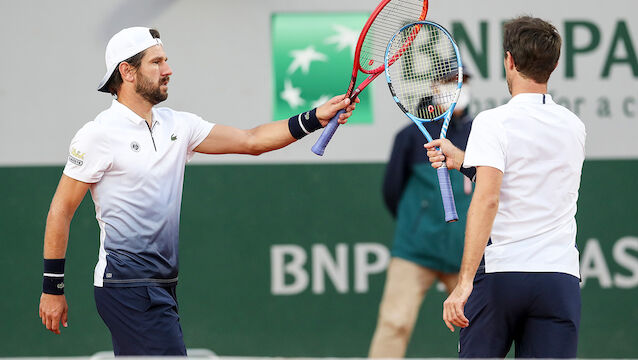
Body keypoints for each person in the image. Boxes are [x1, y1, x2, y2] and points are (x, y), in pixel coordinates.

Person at [38, 27, 357, 356]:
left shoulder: (179, 125)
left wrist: (316, 117)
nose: (168, 69)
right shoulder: (97, 135)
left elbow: (252, 141)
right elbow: (61, 210)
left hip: (162, 286)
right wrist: (53, 289)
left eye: (166, 60)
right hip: (127, 287)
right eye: (157, 62)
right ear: (127, 71)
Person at [425, 16, 586, 358]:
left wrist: (464, 282)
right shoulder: (575, 127)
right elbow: (531, 179)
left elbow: (488, 199)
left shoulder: (492, 122)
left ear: (509, 61)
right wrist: (469, 162)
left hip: (501, 276)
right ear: (554, 65)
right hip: (558, 281)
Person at [368, 70, 474, 358]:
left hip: (465, 254)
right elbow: (392, 191)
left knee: (478, 327)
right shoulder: (409, 137)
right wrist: (417, 224)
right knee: (394, 323)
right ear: (434, 87)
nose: (457, 89)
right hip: (416, 251)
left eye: (461, 83)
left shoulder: (480, 134)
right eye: (449, 82)